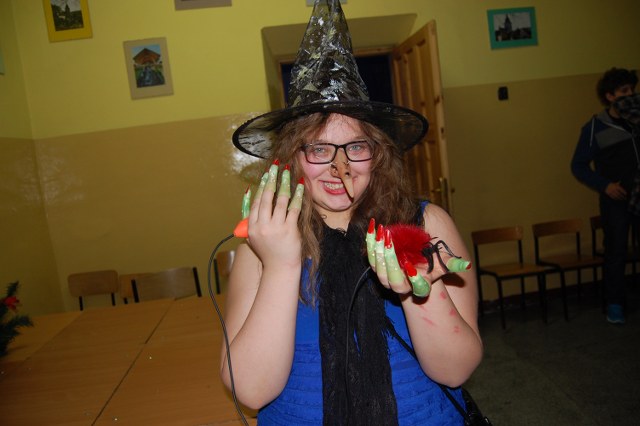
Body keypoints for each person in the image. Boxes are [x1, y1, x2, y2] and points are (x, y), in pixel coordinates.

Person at [220, 1, 483, 424]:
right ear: (293, 157)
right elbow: (250, 390)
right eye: (319, 149)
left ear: (377, 155)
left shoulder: (427, 224)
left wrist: (417, 290)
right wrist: (282, 265)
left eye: (355, 147)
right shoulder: (263, 242)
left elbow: (455, 371)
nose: (338, 167)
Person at [571, 67, 639, 324]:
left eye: (632, 90)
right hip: (615, 201)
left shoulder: (637, 119)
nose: (630, 95)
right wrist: (605, 185)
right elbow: (578, 165)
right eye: (624, 91)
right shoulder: (594, 127)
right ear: (610, 96)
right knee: (616, 252)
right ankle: (615, 305)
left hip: (639, 197)